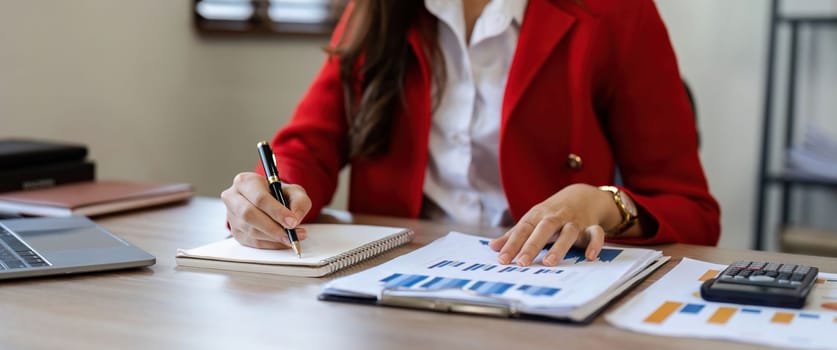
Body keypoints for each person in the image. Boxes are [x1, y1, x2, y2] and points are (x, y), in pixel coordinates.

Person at [221, 0, 721, 267]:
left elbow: (691, 209)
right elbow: (308, 147)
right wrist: (272, 194)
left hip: (547, 287)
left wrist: (601, 203)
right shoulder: (377, 10)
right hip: (395, 289)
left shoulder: (616, 12)